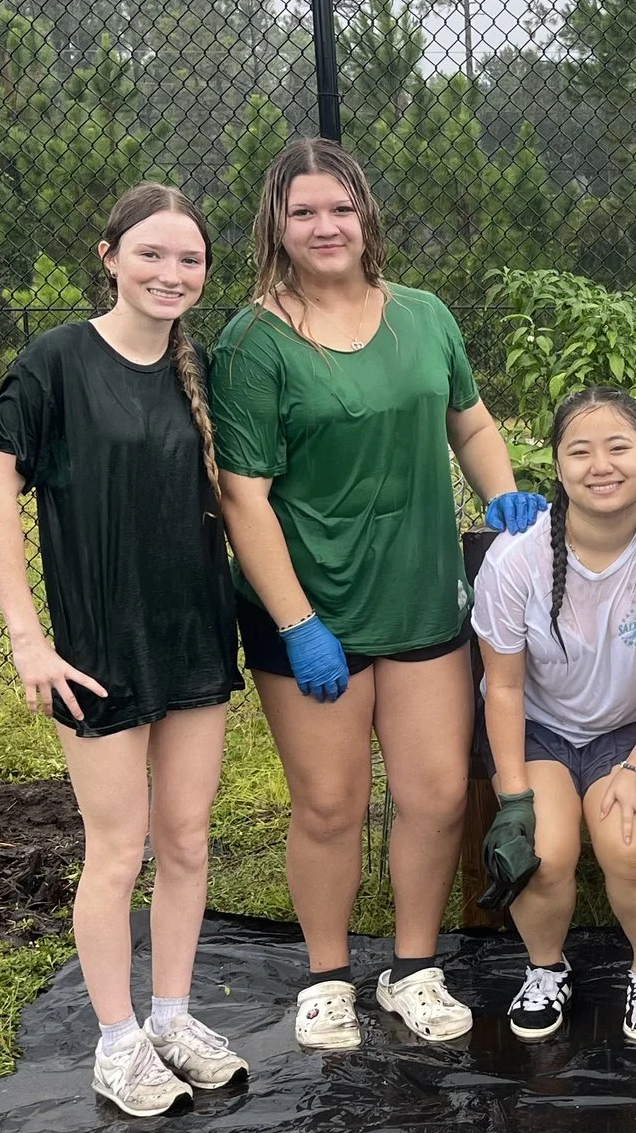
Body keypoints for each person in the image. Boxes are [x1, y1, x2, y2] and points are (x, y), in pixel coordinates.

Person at [209, 139, 544, 1053]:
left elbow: (470, 420)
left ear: (366, 216)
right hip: (310, 612)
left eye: (341, 207)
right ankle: (326, 978)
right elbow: (243, 496)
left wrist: (501, 492)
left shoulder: (425, 317)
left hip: (421, 600)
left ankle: (413, 968)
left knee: (435, 797)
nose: (326, 226)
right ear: (276, 226)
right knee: (330, 805)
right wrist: (298, 622)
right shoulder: (253, 343)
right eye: (304, 211)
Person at [0, 184, 246, 1117]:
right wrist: (28, 639)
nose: (171, 273)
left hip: (193, 638)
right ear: (110, 257)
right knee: (119, 848)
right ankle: (117, 1041)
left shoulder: (201, 368)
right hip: (96, 648)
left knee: (187, 838)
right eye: (151, 254)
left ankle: (170, 1016)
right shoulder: (56, 362)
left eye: (189, 259)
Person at [473, 387, 636, 1044]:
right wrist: (514, 798)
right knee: (541, 852)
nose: (600, 465)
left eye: (618, 447)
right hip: (539, 728)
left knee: (630, 846)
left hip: (632, 729)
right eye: (580, 451)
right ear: (557, 464)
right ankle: (545, 968)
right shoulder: (516, 558)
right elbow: (503, 686)